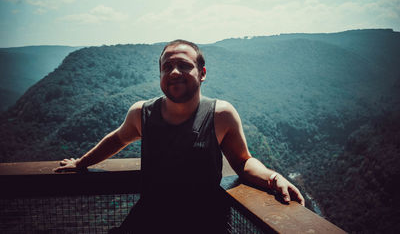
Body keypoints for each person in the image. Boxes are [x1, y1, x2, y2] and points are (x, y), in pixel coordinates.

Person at [55, 39, 305, 233]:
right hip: (149, 225)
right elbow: (118, 139)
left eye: (184, 65)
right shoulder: (142, 113)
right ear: (161, 76)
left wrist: (272, 178)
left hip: (206, 227)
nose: (174, 72)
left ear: (202, 73)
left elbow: (243, 162)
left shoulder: (220, 115)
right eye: (167, 67)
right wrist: (81, 163)